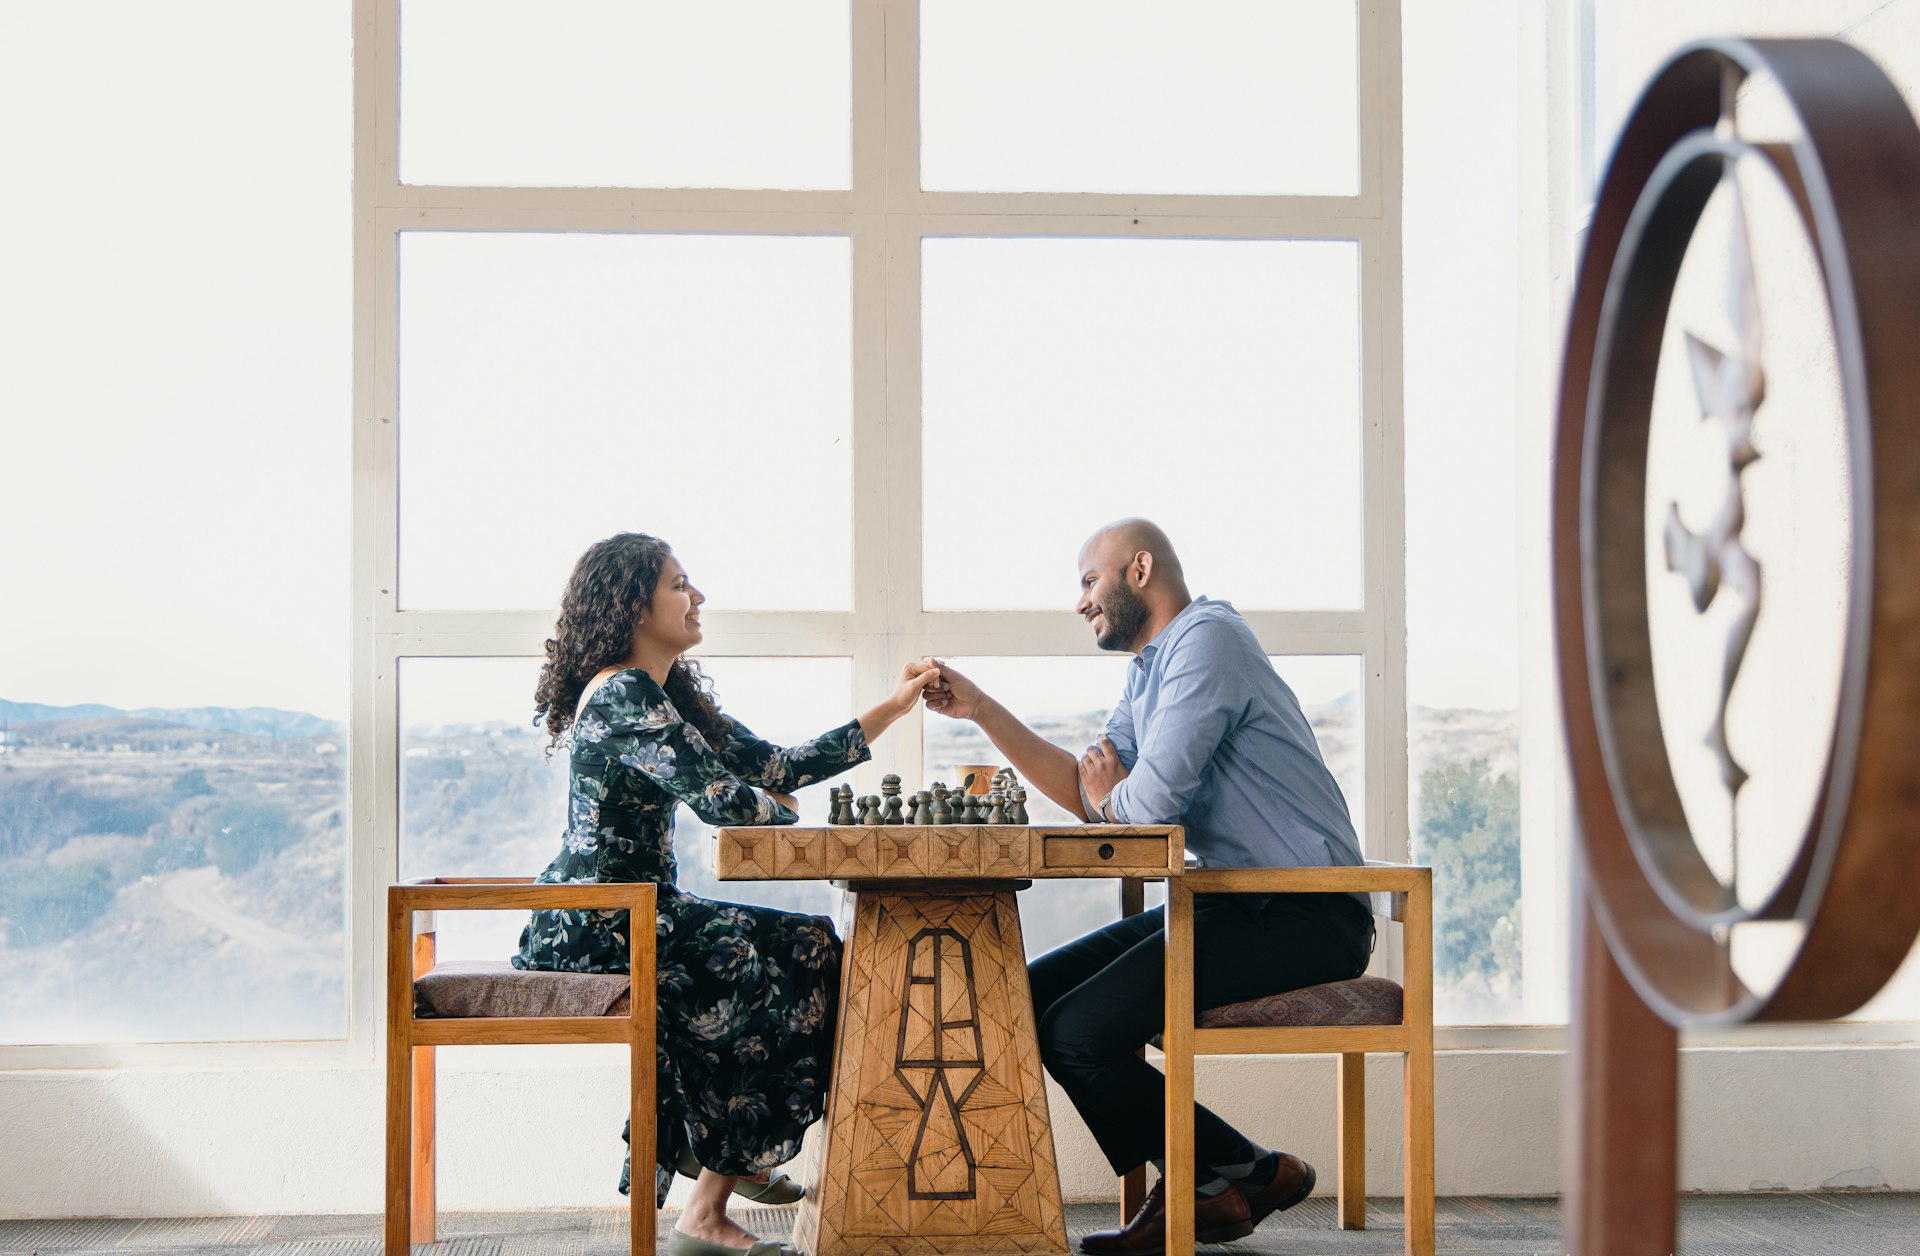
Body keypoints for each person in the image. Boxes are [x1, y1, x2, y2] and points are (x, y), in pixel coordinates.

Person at [918, 518, 1373, 1255]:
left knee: (1079, 1033)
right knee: (1022, 1001)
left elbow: (1143, 809)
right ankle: (1246, 1173)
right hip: (1231, 902)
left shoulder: (1207, 642)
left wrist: (1112, 795)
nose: (1080, 603)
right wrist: (984, 711)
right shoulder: (1150, 667)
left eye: (1087, 581)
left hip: (1304, 911)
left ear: (1139, 570)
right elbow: (1090, 791)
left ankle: (1210, 1188)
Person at [512, 532, 939, 1256]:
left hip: (641, 912)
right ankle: (731, 1163)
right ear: (632, 605)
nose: (697, 595)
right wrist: (776, 809)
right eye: (680, 584)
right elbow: (726, 802)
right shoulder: (621, 694)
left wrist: (896, 707)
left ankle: (728, 1168)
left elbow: (776, 764)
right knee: (792, 953)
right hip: (600, 922)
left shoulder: (662, 696)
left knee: (804, 948)